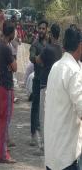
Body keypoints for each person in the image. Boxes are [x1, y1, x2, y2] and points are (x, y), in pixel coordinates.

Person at [44, 26, 82, 170]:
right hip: (67, 158)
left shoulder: (56, 67)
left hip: (53, 154)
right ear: (80, 46)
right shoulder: (73, 71)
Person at [0, 20, 18, 164]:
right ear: (12, 33)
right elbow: (14, 67)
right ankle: (3, 154)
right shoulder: (7, 48)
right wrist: (12, 62)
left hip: (1, 86)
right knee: (5, 121)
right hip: (7, 87)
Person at [37, 23, 62, 155]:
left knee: (44, 117)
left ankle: (45, 146)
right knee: (54, 117)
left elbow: (38, 60)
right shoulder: (61, 50)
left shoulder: (47, 49)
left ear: (51, 34)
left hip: (45, 85)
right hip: (57, 88)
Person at [29, 20, 48, 148]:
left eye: (43, 28)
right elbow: (31, 57)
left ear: (46, 30)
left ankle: (43, 132)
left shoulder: (49, 44)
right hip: (37, 80)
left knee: (45, 108)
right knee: (35, 107)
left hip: (47, 81)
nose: (41, 30)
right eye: (40, 28)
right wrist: (38, 59)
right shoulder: (35, 44)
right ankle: (33, 134)